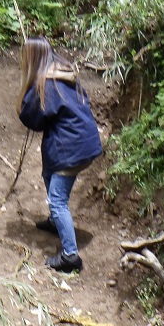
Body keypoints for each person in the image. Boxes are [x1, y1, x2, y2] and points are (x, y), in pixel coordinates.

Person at [16, 36, 102, 273]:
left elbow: (33, 117)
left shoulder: (48, 84)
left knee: (57, 200)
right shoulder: (62, 76)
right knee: (48, 174)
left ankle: (70, 256)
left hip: (73, 148)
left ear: (32, 59)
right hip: (83, 143)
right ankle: (56, 222)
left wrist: (24, 100)